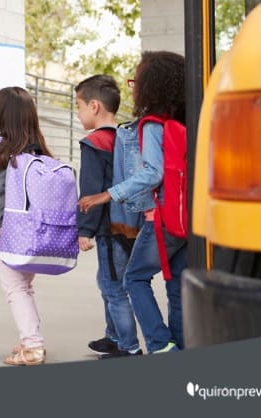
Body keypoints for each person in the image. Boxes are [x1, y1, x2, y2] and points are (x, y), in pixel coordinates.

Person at [79, 51, 187, 354]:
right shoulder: (187, 122)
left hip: (164, 218)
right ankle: (181, 343)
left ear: (151, 86)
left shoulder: (152, 126)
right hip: (188, 218)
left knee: (134, 278)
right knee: (177, 284)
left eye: (136, 81)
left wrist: (107, 194)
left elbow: (153, 173)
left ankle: (159, 343)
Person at [0, 86, 52, 366]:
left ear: (0, 114)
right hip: (39, 232)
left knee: (16, 289)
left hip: (11, 232)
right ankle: (29, 340)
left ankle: (33, 346)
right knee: (24, 288)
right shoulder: (40, 151)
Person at [74, 75, 142, 359]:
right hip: (130, 224)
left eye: (78, 106)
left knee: (114, 287)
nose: (77, 113)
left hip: (108, 228)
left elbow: (91, 190)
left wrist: (84, 231)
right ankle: (113, 336)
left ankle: (128, 347)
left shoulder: (95, 143)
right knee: (110, 282)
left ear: (94, 106)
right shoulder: (126, 139)